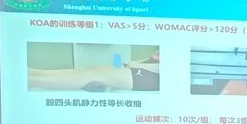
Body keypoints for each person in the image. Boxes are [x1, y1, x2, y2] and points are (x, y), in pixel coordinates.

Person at [28, 52, 160, 91]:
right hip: (138, 72)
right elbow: (128, 63)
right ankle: (37, 73)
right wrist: (119, 62)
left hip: (150, 78)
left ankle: (34, 81)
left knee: (94, 74)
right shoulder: (150, 59)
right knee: (90, 69)